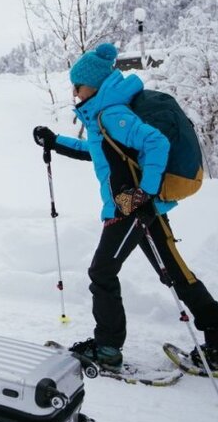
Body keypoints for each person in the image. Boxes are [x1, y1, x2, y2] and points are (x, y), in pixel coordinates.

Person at [33, 42, 218, 373]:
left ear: (95, 83)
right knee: (175, 272)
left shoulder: (111, 113)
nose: (75, 92)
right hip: (139, 207)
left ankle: (107, 347)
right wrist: (56, 142)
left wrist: (143, 192)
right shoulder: (107, 112)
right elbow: (98, 152)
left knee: (102, 272)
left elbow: (155, 142)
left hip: (131, 209)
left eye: (78, 85)